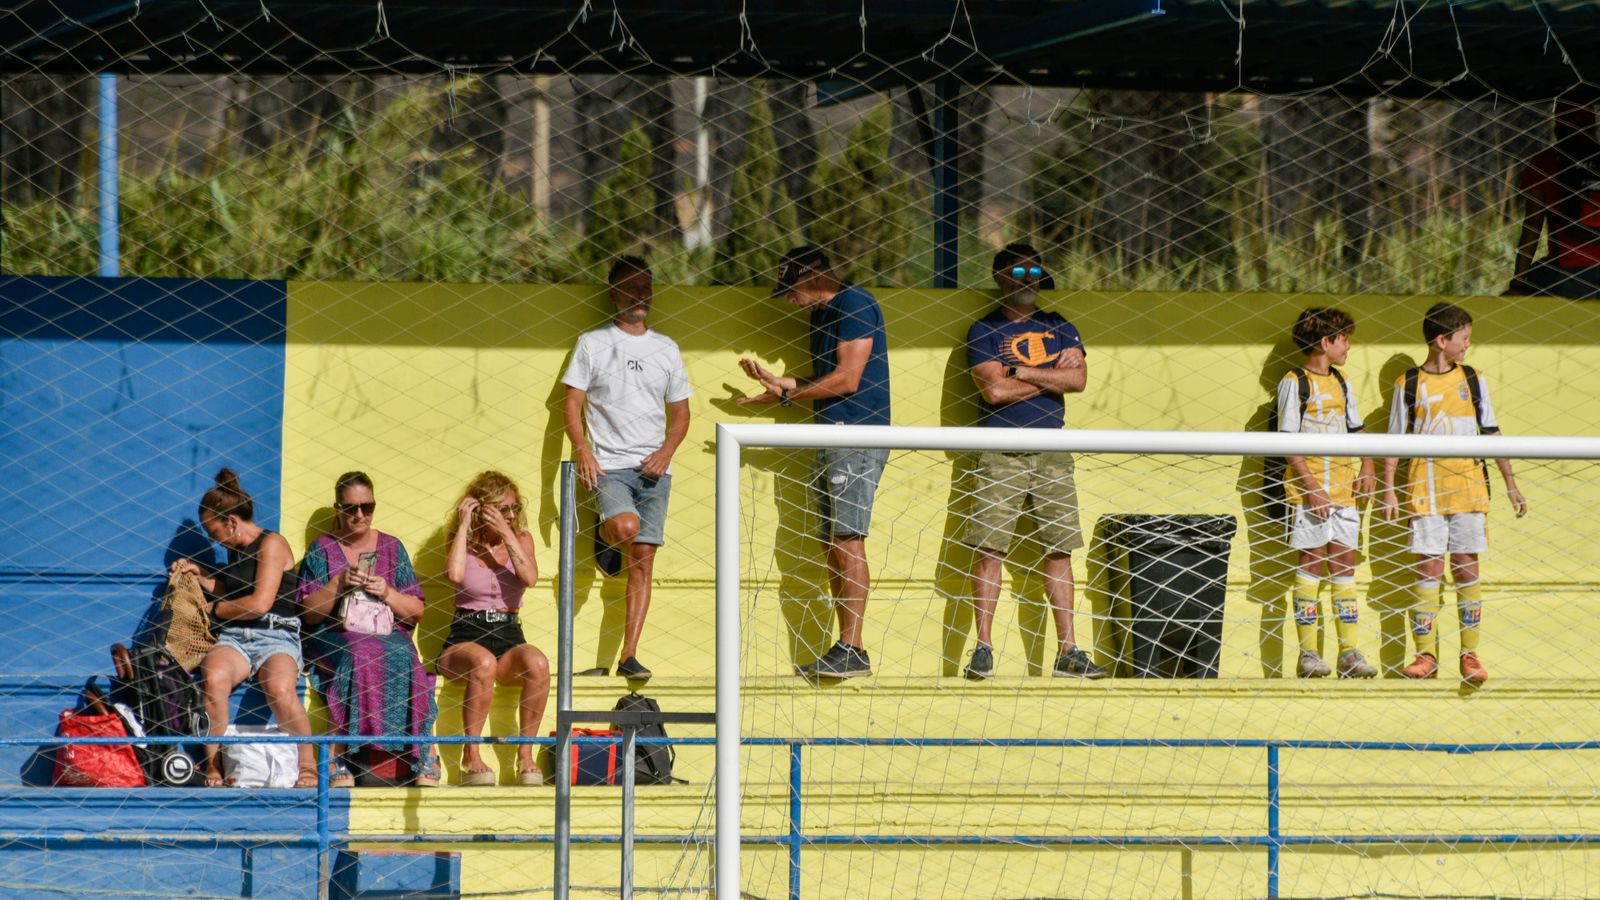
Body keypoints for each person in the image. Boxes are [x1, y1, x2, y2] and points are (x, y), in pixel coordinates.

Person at [739, 246, 891, 679]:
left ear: (816, 274)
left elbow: (848, 379)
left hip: (856, 436)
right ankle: (845, 645)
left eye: (791, 288)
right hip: (829, 436)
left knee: (848, 539)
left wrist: (791, 396)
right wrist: (779, 385)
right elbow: (822, 378)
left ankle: (854, 647)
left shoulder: (855, 302)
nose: (788, 299)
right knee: (830, 543)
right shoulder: (819, 316)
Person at [960, 243, 1107, 681]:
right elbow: (994, 393)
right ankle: (983, 648)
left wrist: (1020, 372)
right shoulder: (983, 330)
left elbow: (1078, 380)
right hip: (999, 448)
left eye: (1035, 270)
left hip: (1051, 450)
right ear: (1000, 276)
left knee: (1059, 548)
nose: (1027, 277)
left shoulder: (1060, 325)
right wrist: (1049, 377)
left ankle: (1068, 652)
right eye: (1018, 269)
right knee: (990, 548)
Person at [1379, 303, 1529, 685]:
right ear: (1441, 340)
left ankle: (1469, 653)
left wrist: (1510, 483)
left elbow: (1492, 434)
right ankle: (1425, 654)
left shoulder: (1474, 380)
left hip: (1468, 490)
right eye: (1464, 338)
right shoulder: (1408, 384)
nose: (1468, 345)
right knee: (1428, 568)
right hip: (1425, 492)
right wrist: (1390, 492)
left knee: (1465, 566)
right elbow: (1395, 441)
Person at [562, 256, 692, 680]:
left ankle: (629, 655)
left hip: (655, 469)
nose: (640, 295)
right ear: (614, 293)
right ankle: (604, 537)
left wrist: (667, 452)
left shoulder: (667, 348)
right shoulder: (593, 343)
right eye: (631, 287)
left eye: (646, 287)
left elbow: (681, 413)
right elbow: (572, 403)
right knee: (624, 529)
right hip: (611, 465)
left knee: (643, 560)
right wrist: (582, 448)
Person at [170, 468, 317, 787]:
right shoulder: (235, 551)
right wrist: (200, 579)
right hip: (236, 637)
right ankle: (214, 766)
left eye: (213, 531)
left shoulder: (272, 544)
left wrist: (214, 609)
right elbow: (235, 592)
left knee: (280, 689)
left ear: (232, 522)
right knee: (214, 677)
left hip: (277, 635)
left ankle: (308, 768)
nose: (212, 539)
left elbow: (259, 603)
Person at [297, 472, 440, 788]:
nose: (358, 515)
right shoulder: (322, 549)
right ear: (338, 508)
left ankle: (421, 756)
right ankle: (341, 755)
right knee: (359, 654)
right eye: (350, 508)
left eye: (367, 506)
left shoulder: (391, 547)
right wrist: (337, 584)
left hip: (386, 633)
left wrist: (387, 592)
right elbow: (308, 614)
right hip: (334, 634)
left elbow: (416, 612)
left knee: (408, 658)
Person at [1273, 308, 1378, 679]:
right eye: (1344, 338)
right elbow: (1289, 442)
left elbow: (1357, 429)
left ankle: (1349, 651)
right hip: (1309, 494)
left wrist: (1367, 465)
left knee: (1345, 566)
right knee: (1311, 565)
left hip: (1343, 491)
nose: (1349, 345)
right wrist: (1312, 488)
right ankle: (1308, 653)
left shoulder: (1342, 381)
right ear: (1325, 342)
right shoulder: (1294, 382)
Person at [437, 471, 548, 785]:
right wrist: (462, 525)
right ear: (482, 510)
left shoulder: (521, 539)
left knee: (538, 663)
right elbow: (454, 575)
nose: (511, 516)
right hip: (466, 632)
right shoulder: (464, 541)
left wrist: (508, 534)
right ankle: (470, 754)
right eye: (503, 510)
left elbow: (529, 578)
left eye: (515, 508)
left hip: (509, 631)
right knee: (482, 661)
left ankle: (525, 755)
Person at [1509, 95, 1600, 299]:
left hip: (1568, 273)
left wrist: (1518, 283)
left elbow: (1532, 229)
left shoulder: (1544, 162)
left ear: (1557, 125)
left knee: (1533, 280)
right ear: (1593, 124)